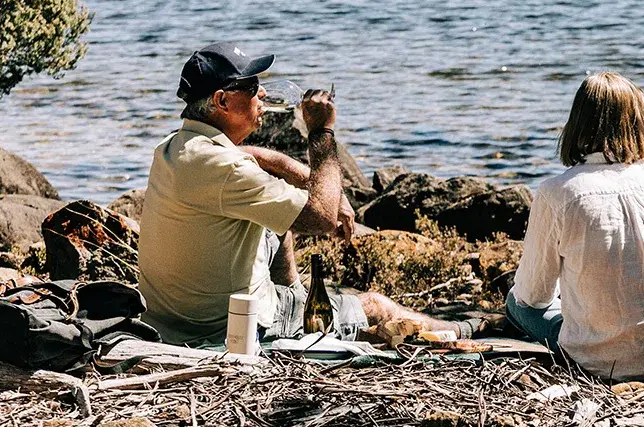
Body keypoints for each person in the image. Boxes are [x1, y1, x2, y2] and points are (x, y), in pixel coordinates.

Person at [136, 41, 467, 345]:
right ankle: (468, 329)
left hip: (174, 318)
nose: (262, 93)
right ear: (222, 100)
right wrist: (321, 132)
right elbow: (321, 218)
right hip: (230, 324)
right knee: (377, 306)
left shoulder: (175, 149)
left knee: (274, 223)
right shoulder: (227, 170)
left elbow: (251, 157)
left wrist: (286, 164)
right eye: (251, 87)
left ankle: (297, 301)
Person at [508, 71, 644, 379]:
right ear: (638, 124)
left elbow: (534, 295)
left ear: (575, 123)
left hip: (607, 362)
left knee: (516, 303)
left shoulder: (558, 193)